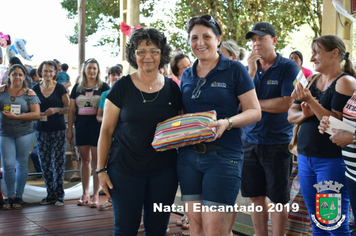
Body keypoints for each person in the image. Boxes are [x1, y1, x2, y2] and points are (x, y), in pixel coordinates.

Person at [177, 15, 261, 236]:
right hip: (188, 158)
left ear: (218, 39)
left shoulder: (235, 70)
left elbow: (254, 111)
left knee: (215, 231)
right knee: (195, 227)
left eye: (206, 36)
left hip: (224, 157)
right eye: (194, 38)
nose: (200, 42)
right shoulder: (186, 74)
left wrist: (228, 122)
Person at [97, 27, 183, 235]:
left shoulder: (173, 88)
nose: (148, 56)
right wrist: (101, 170)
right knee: (125, 228)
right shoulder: (121, 87)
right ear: (133, 55)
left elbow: (181, 126)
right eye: (141, 51)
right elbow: (106, 130)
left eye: (154, 50)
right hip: (125, 170)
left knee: (157, 229)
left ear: (162, 54)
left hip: (164, 172)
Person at [288, 35, 356, 234]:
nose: (312, 58)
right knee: (316, 221)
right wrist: (306, 114)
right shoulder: (311, 80)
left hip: (331, 161)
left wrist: (311, 102)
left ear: (334, 53)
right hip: (306, 158)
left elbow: (336, 124)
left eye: (316, 52)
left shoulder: (345, 82)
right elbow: (291, 115)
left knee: (331, 221)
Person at [242, 22, 300, 235]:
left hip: (277, 142)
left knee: (278, 198)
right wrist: (251, 71)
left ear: (274, 40)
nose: (256, 43)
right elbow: (239, 103)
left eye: (261, 39)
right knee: (255, 196)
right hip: (249, 141)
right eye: (253, 40)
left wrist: (254, 105)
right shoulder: (248, 68)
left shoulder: (288, 66)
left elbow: (286, 104)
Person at [67, 58, 110, 208]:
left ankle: (96, 195)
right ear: (84, 70)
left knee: (98, 162)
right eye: (89, 68)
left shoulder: (104, 86)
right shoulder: (77, 88)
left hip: (98, 127)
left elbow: (108, 108)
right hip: (81, 126)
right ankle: (85, 193)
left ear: (98, 70)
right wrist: (69, 129)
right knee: (84, 160)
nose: (92, 71)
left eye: (94, 68)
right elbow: (72, 110)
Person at [0, 64, 40, 209]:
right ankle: (9, 196)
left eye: (20, 75)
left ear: (24, 77)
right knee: (8, 165)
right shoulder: (1, 91)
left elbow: (36, 114)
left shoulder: (30, 93)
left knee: (21, 163)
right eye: (14, 74)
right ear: (9, 75)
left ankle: (18, 196)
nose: (17, 77)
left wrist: (16, 117)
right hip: (5, 133)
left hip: (25, 133)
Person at [33, 60, 70, 207]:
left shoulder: (60, 88)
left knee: (58, 162)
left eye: (51, 71)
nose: (48, 74)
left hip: (58, 129)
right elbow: (30, 107)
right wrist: (36, 112)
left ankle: (60, 194)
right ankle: (50, 194)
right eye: (45, 71)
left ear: (55, 73)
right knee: (45, 163)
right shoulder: (34, 89)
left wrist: (56, 110)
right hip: (41, 130)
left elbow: (68, 108)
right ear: (40, 72)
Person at [96, 65, 122, 211]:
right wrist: (109, 121)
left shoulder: (126, 92)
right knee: (106, 168)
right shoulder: (105, 93)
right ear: (109, 77)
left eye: (118, 74)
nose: (116, 77)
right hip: (108, 137)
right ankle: (109, 198)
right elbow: (99, 116)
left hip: (121, 139)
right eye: (113, 75)